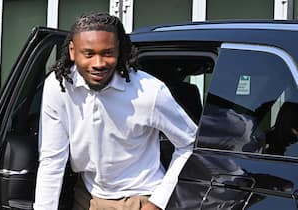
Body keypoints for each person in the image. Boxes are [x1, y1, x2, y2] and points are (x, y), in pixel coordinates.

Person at [34, 12, 197, 210]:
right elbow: (52, 158)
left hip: (139, 199)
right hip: (86, 196)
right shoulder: (58, 86)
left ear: (120, 51)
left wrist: (158, 202)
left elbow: (189, 144)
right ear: (72, 51)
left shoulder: (149, 91)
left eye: (107, 53)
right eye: (89, 53)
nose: (98, 63)